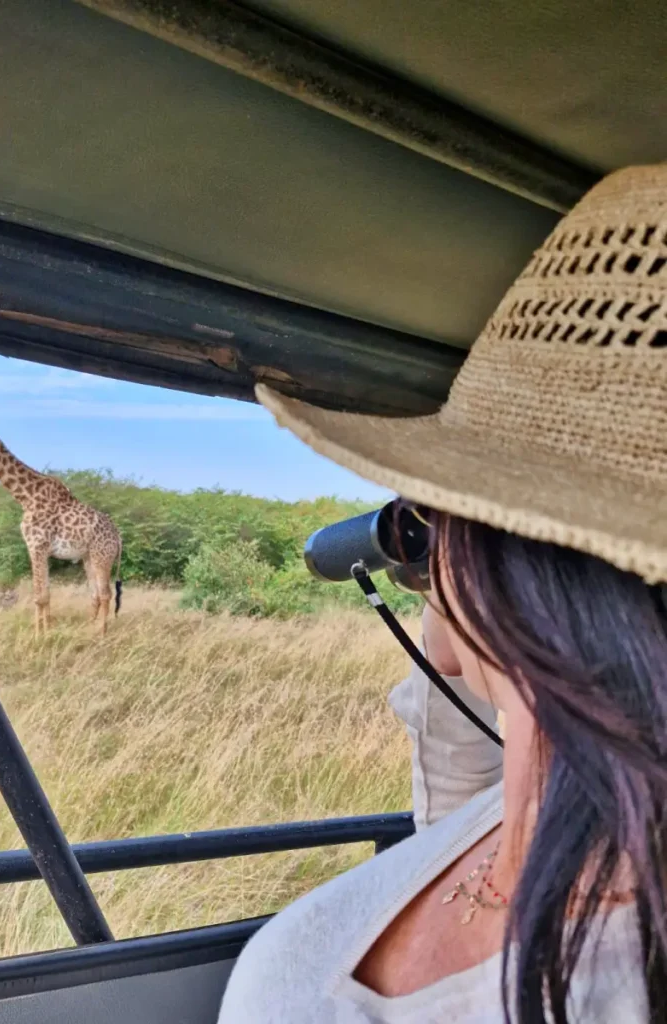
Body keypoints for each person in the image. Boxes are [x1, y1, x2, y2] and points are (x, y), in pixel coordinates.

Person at [217, 163, 667, 1023]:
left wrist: (465, 566)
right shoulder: (525, 808)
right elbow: (463, 762)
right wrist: (473, 581)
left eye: (444, 511)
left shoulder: (304, 991)